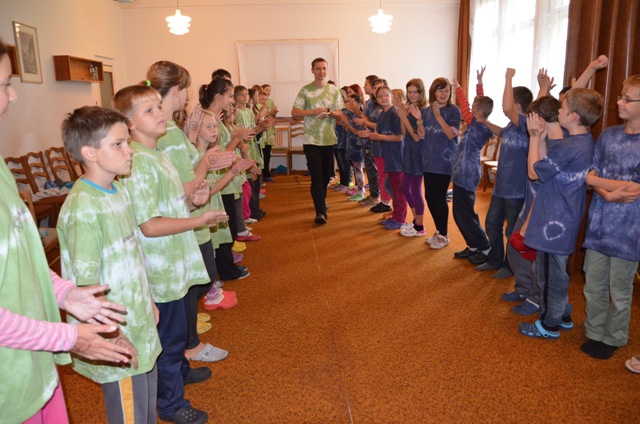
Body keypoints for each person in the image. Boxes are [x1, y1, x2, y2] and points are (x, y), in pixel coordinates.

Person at [0, 39, 133, 424]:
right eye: (5, 84)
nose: (14, 96)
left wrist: (65, 293)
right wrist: (69, 337)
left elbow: (23, 259)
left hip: (31, 365)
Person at [113, 83, 226, 424]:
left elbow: (171, 204)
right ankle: (171, 403)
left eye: (157, 107)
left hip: (175, 260)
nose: (159, 113)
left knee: (177, 332)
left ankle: (180, 373)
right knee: (169, 337)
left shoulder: (157, 154)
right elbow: (149, 225)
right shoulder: (138, 162)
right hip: (159, 268)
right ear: (129, 123)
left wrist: (193, 202)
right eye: (148, 110)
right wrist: (198, 220)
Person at [58, 106, 163, 423]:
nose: (129, 150)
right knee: (130, 411)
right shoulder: (84, 207)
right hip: (115, 331)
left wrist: (148, 300)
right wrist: (112, 333)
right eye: (118, 144)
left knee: (146, 404)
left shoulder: (119, 190)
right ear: (89, 153)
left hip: (136, 317)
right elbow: (87, 285)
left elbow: (133, 255)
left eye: (127, 141)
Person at [518, 88, 603, 340]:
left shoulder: (569, 147)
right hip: (564, 217)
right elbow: (552, 160)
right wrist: (544, 137)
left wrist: (534, 137)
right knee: (557, 271)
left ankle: (549, 324)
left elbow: (534, 173)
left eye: (563, 108)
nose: (558, 111)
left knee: (549, 276)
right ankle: (563, 313)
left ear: (574, 116)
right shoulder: (582, 141)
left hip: (553, 220)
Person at [580, 75, 640, 360]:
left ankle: (613, 336)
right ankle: (594, 331)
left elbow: (636, 188)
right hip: (599, 223)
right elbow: (590, 174)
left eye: (627, 98)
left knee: (619, 287)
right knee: (593, 283)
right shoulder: (608, 135)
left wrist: (598, 182)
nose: (619, 102)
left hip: (629, 229)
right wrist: (606, 192)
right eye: (620, 96)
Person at [502, 95, 562, 316]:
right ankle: (523, 289)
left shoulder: (559, 146)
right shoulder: (541, 138)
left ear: (542, 120)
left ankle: (535, 299)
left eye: (532, 119)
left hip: (543, 211)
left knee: (537, 261)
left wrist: (529, 219)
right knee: (515, 248)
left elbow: (536, 174)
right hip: (529, 205)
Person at [477, 68, 533, 277]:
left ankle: (510, 266)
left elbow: (507, 108)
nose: (504, 108)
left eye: (507, 104)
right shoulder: (511, 126)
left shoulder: (525, 125)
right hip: (501, 188)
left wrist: (508, 78)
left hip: (516, 191)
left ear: (517, 106)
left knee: (512, 231)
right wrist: (485, 122)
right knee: (492, 223)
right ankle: (495, 259)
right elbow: (501, 132)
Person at [291, 57, 344, 225]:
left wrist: (331, 113)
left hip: (328, 139)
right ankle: (320, 212)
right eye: (318, 68)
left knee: (326, 176)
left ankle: (321, 200)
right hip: (311, 140)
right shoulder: (306, 90)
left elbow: (339, 113)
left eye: (324, 68)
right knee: (316, 175)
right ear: (312, 70)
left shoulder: (334, 90)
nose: (322, 71)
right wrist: (312, 112)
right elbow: (294, 112)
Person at [450, 71, 495, 265]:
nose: (470, 106)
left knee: (465, 213)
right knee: (459, 213)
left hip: (467, 175)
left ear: (477, 112)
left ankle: (484, 246)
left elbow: (465, 105)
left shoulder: (478, 125)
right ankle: (473, 245)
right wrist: (479, 83)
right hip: (462, 173)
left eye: (474, 105)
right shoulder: (479, 120)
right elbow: (479, 102)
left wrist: (458, 88)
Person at [422, 77, 461, 249]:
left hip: (445, 161)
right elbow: (422, 134)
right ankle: (438, 230)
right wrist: (417, 120)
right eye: (440, 90)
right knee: (429, 197)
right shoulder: (427, 111)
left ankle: (444, 235)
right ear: (434, 92)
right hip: (428, 160)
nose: (444, 94)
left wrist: (438, 116)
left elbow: (451, 135)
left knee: (439, 197)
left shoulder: (454, 111)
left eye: (447, 90)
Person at [362, 86, 406, 230]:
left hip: (397, 157)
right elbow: (379, 134)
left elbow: (399, 137)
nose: (383, 98)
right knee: (391, 186)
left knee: (398, 189)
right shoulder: (382, 114)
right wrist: (369, 135)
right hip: (387, 156)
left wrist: (377, 136)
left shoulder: (394, 113)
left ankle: (400, 219)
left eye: (386, 95)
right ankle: (396, 214)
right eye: (380, 96)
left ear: (391, 96)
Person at [397, 78, 428, 237]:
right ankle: (416, 220)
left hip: (418, 153)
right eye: (409, 92)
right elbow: (404, 134)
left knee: (416, 190)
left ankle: (420, 226)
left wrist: (404, 118)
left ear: (421, 93)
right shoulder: (410, 108)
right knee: (404, 187)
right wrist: (402, 116)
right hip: (408, 151)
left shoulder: (423, 111)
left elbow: (417, 137)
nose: (411, 95)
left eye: (415, 92)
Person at [259, 84, 279, 182]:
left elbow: (272, 115)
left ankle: (267, 171)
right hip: (262, 131)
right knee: (263, 153)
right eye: (266, 90)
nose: (268, 92)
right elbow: (262, 115)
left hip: (269, 130)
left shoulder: (271, 101)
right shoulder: (258, 103)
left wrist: (274, 113)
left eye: (270, 90)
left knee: (268, 152)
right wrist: (270, 112)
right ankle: (264, 173)